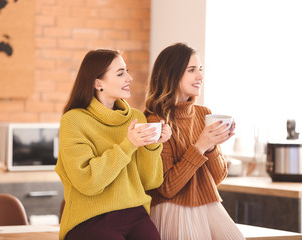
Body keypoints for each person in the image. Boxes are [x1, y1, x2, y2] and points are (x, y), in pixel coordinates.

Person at [55, 49, 172, 240]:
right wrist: (128, 145)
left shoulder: (136, 117)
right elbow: (88, 182)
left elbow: (149, 181)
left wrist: (152, 146)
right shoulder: (74, 120)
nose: (130, 78)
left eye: (127, 71)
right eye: (120, 73)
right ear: (97, 82)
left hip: (135, 213)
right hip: (91, 218)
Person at [144, 43, 245, 240]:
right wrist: (200, 146)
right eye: (191, 70)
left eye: (200, 70)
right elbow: (168, 188)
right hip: (172, 206)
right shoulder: (156, 121)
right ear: (171, 74)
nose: (200, 76)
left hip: (207, 204)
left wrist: (212, 145)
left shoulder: (204, 114)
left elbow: (217, 178)